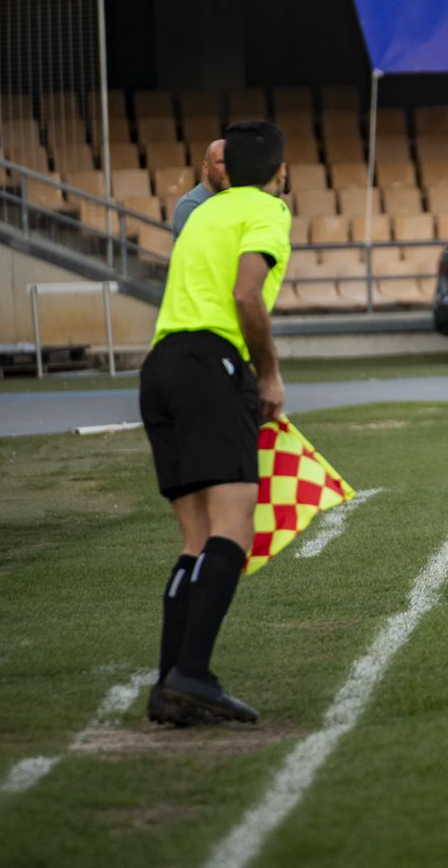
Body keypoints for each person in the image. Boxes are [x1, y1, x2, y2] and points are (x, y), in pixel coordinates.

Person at [139, 120, 292, 726]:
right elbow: (246, 295)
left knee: (195, 538)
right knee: (233, 527)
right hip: (212, 364)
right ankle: (194, 675)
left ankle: (168, 685)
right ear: (280, 171)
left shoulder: (202, 213)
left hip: (161, 367)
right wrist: (268, 374)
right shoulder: (267, 211)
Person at [171, 139, 225, 238]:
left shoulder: (233, 199)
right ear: (206, 167)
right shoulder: (190, 205)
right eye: (221, 162)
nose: (226, 169)